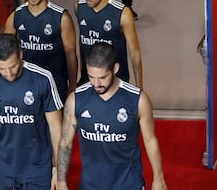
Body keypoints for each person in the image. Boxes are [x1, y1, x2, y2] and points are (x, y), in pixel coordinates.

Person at [57, 42, 167, 190]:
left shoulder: (138, 100)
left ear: (115, 68)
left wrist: (158, 178)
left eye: (102, 77)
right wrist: (61, 180)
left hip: (129, 184)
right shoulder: (76, 100)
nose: (96, 84)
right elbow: (65, 143)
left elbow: (150, 141)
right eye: (91, 77)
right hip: (90, 185)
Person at [0, 33, 63, 190]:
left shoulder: (42, 78)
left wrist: (58, 170)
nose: (9, 74)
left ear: (21, 54)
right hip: (4, 166)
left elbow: (56, 127)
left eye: (13, 66)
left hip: (38, 166)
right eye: (2, 68)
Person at [5, 0, 78, 102]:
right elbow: (5, 52)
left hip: (55, 86)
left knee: (56, 123)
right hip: (26, 86)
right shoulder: (15, 17)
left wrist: (72, 85)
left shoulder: (62, 18)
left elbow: (70, 54)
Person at [76, 0, 142, 88]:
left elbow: (134, 54)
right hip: (89, 81)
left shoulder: (123, 13)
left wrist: (139, 88)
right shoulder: (79, 8)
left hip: (117, 82)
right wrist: (81, 74)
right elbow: (82, 41)